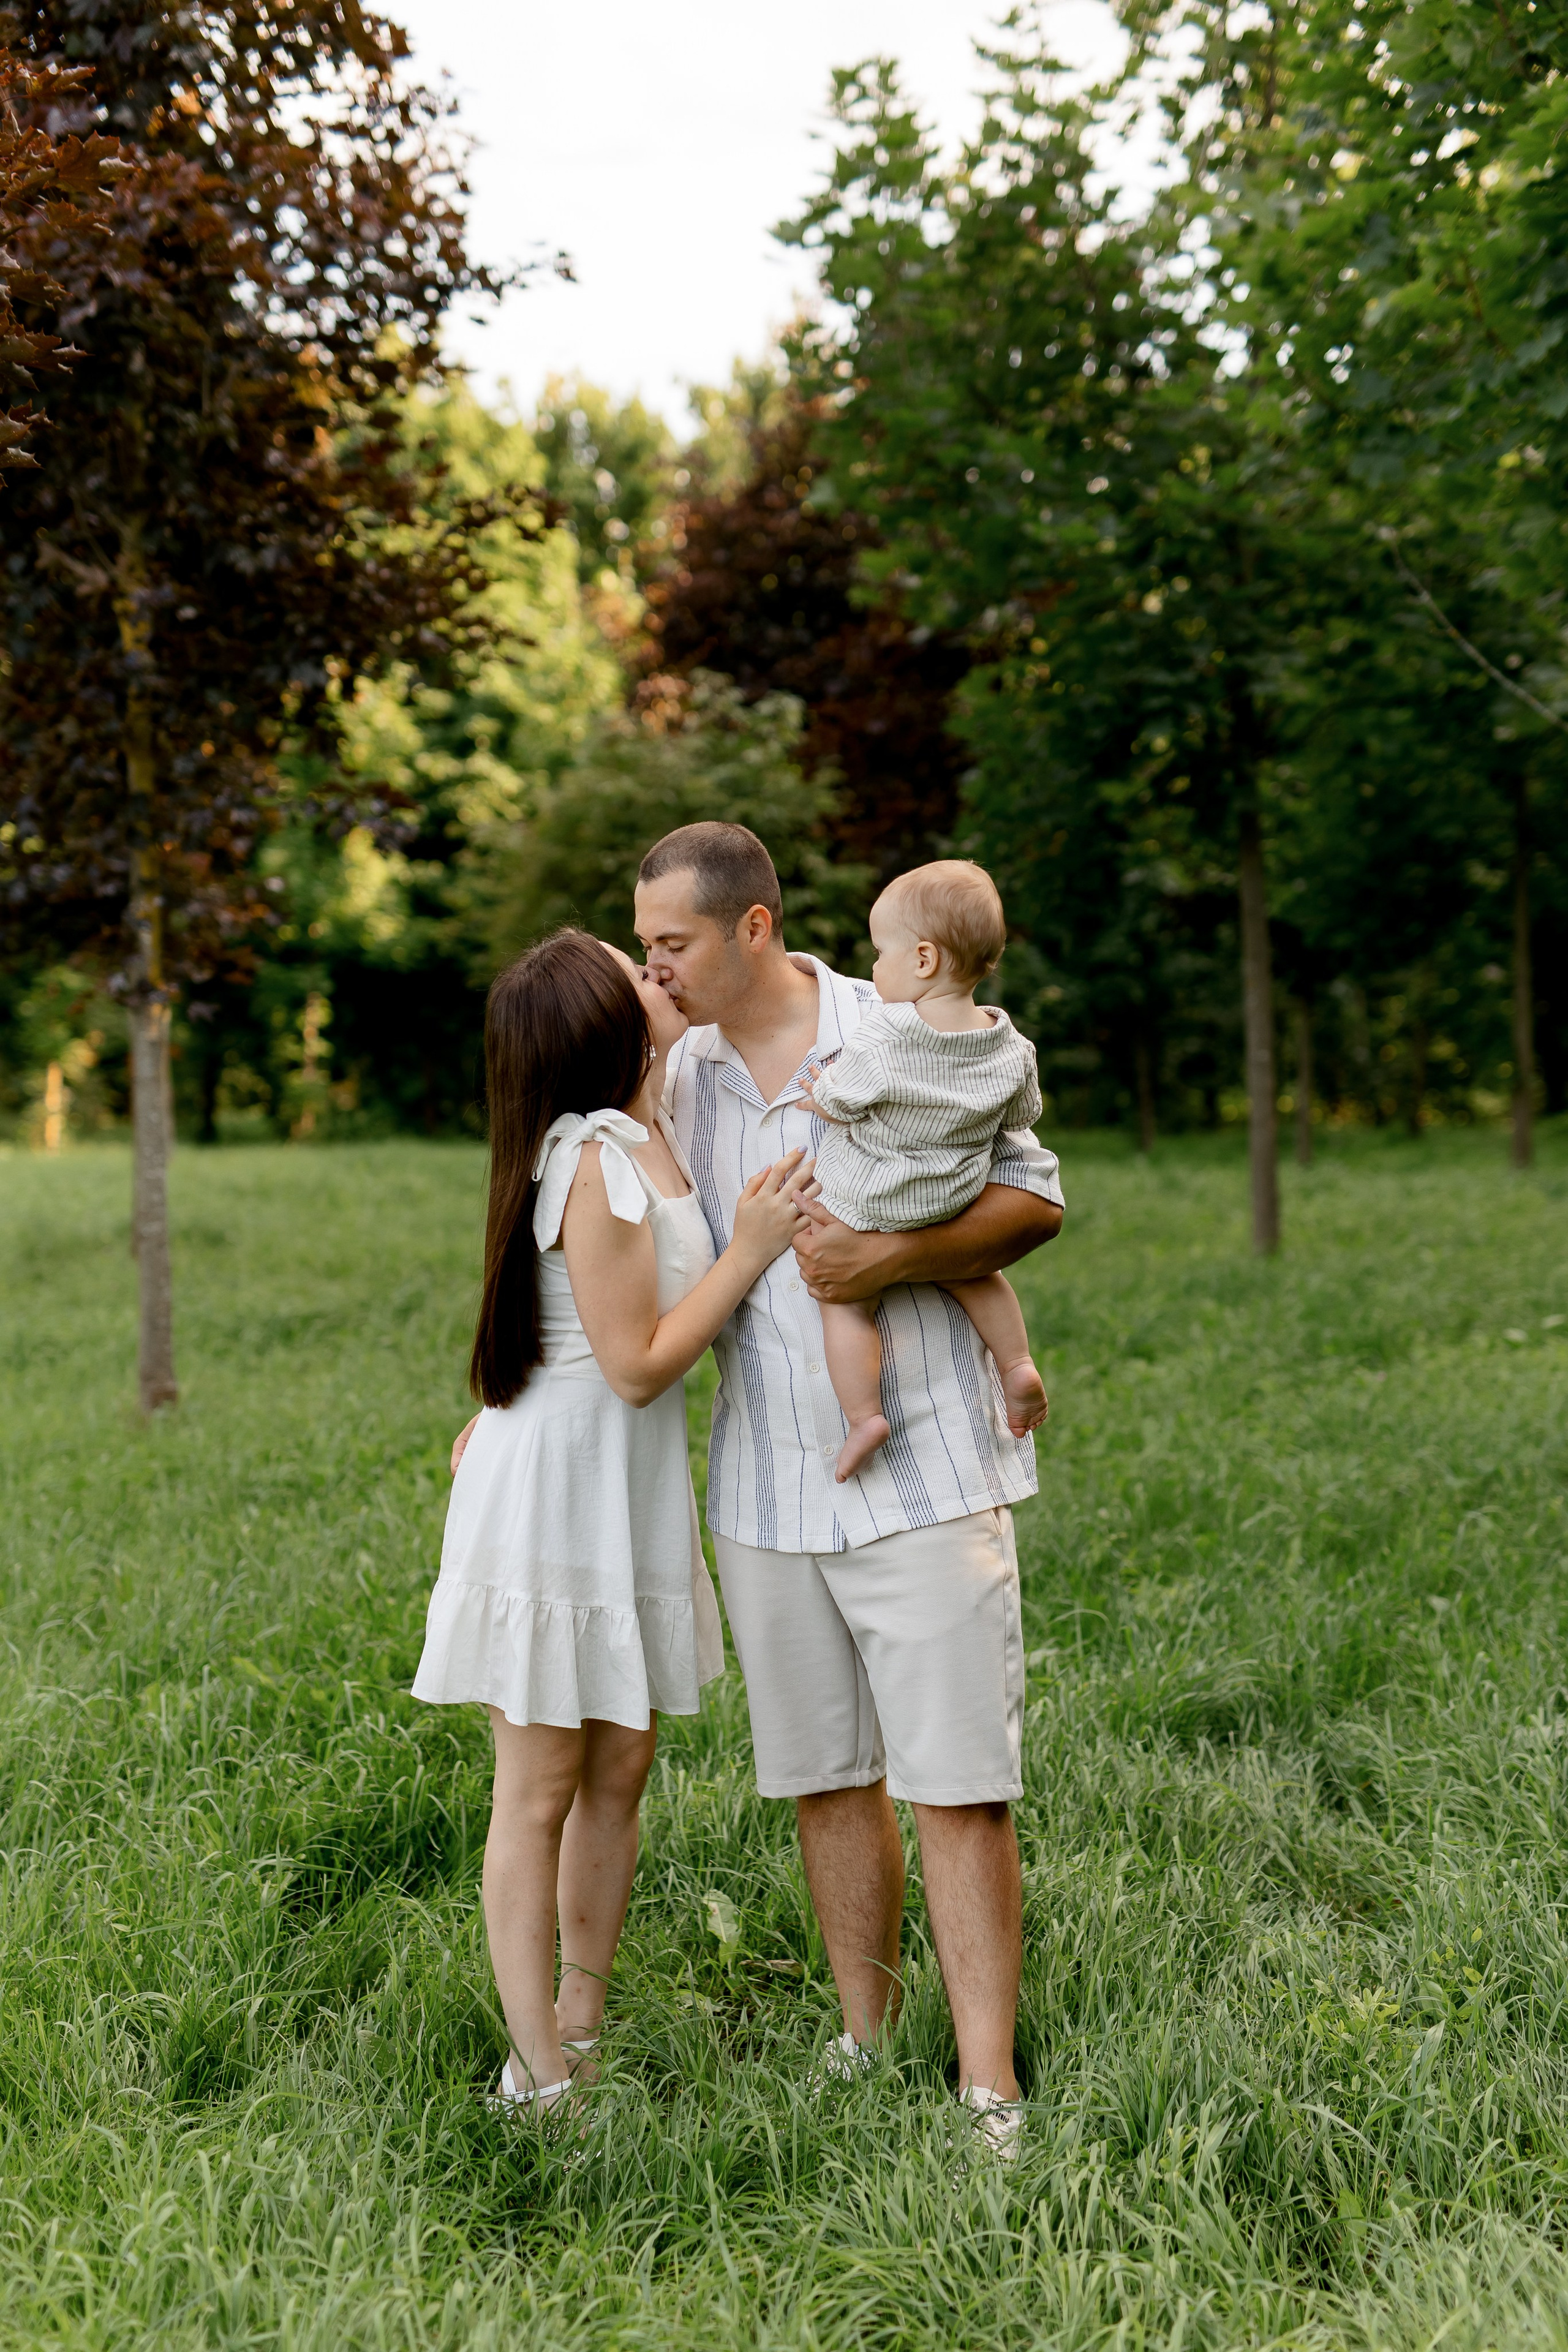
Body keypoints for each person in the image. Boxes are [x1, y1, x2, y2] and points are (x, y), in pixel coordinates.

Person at [636, 822, 1064, 2161]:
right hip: (766, 1489)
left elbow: (1033, 1204)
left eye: (674, 944)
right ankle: (862, 2041)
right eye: (644, 944)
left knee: (958, 1784)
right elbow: (598, 1247)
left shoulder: (908, 1019)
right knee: (827, 1777)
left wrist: (881, 1260)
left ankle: (986, 2087)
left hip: (927, 1465)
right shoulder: (674, 1076)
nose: (655, 967)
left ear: (752, 929)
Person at [412, 929, 808, 2113]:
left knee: (620, 1766)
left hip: (617, 1492)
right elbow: (635, 1367)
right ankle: (532, 2072)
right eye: (636, 972)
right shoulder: (595, 1158)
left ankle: (580, 2025)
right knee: (539, 1786)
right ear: (609, 1027)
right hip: (559, 1495)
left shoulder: (647, 1130)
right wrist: (746, 1255)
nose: (660, 976)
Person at [797, 859, 1049, 1482]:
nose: (874, 966)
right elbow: (1025, 1111)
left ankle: (864, 1416)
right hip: (953, 1199)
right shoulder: (1010, 1045)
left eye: (882, 952)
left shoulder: (888, 1032)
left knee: (843, 1299)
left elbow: (842, 1100)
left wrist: (816, 1092)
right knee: (976, 1272)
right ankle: (1016, 1364)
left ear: (924, 960)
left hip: (871, 1198)